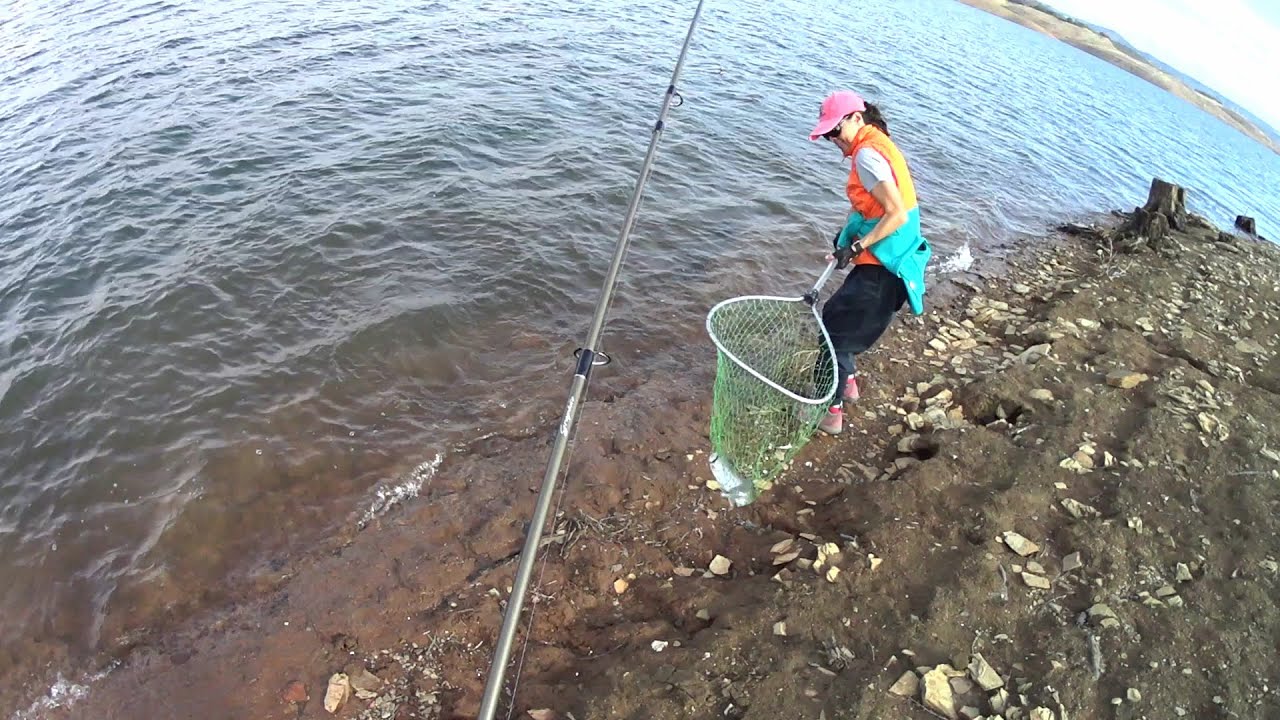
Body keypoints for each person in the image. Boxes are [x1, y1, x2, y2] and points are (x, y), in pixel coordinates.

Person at [807, 90, 932, 435]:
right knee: (844, 324)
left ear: (856, 119)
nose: (834, 139)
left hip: (885, 268)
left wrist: (857, 246)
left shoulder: (866, 155)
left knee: (833, 334)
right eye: (828, 133)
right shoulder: (877, 144)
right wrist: (845, 242)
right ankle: (848, 385)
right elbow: (870, 207)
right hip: (893, 263)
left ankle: (829, 413)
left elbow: (896, 215)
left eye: (836, 130)